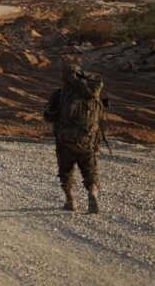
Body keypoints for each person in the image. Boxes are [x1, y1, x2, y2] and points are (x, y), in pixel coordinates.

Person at [43, 63, 105, 214]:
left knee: (66, 172)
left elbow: (48, 116)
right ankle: (92, 193)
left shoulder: (60, 93)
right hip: (88, 141)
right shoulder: (92, 92)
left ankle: (71, 201)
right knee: (90, 173)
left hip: (66, 142)